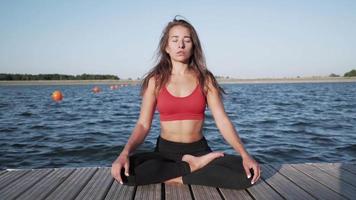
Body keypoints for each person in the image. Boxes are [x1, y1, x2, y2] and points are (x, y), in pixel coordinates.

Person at [111, 16, 261, 189]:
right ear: (166, 47)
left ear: (193, 46)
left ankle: (178, 172)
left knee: (247, 175)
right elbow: (143, 124)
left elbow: (222, 120)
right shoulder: (156, 80)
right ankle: (192, 167)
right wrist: (124, 153)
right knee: (123, 172)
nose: (180, 45)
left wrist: (244, 154)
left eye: (186, 40)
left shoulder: (205, 79)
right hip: (165, 153)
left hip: (199, 151)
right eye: (175, 40)